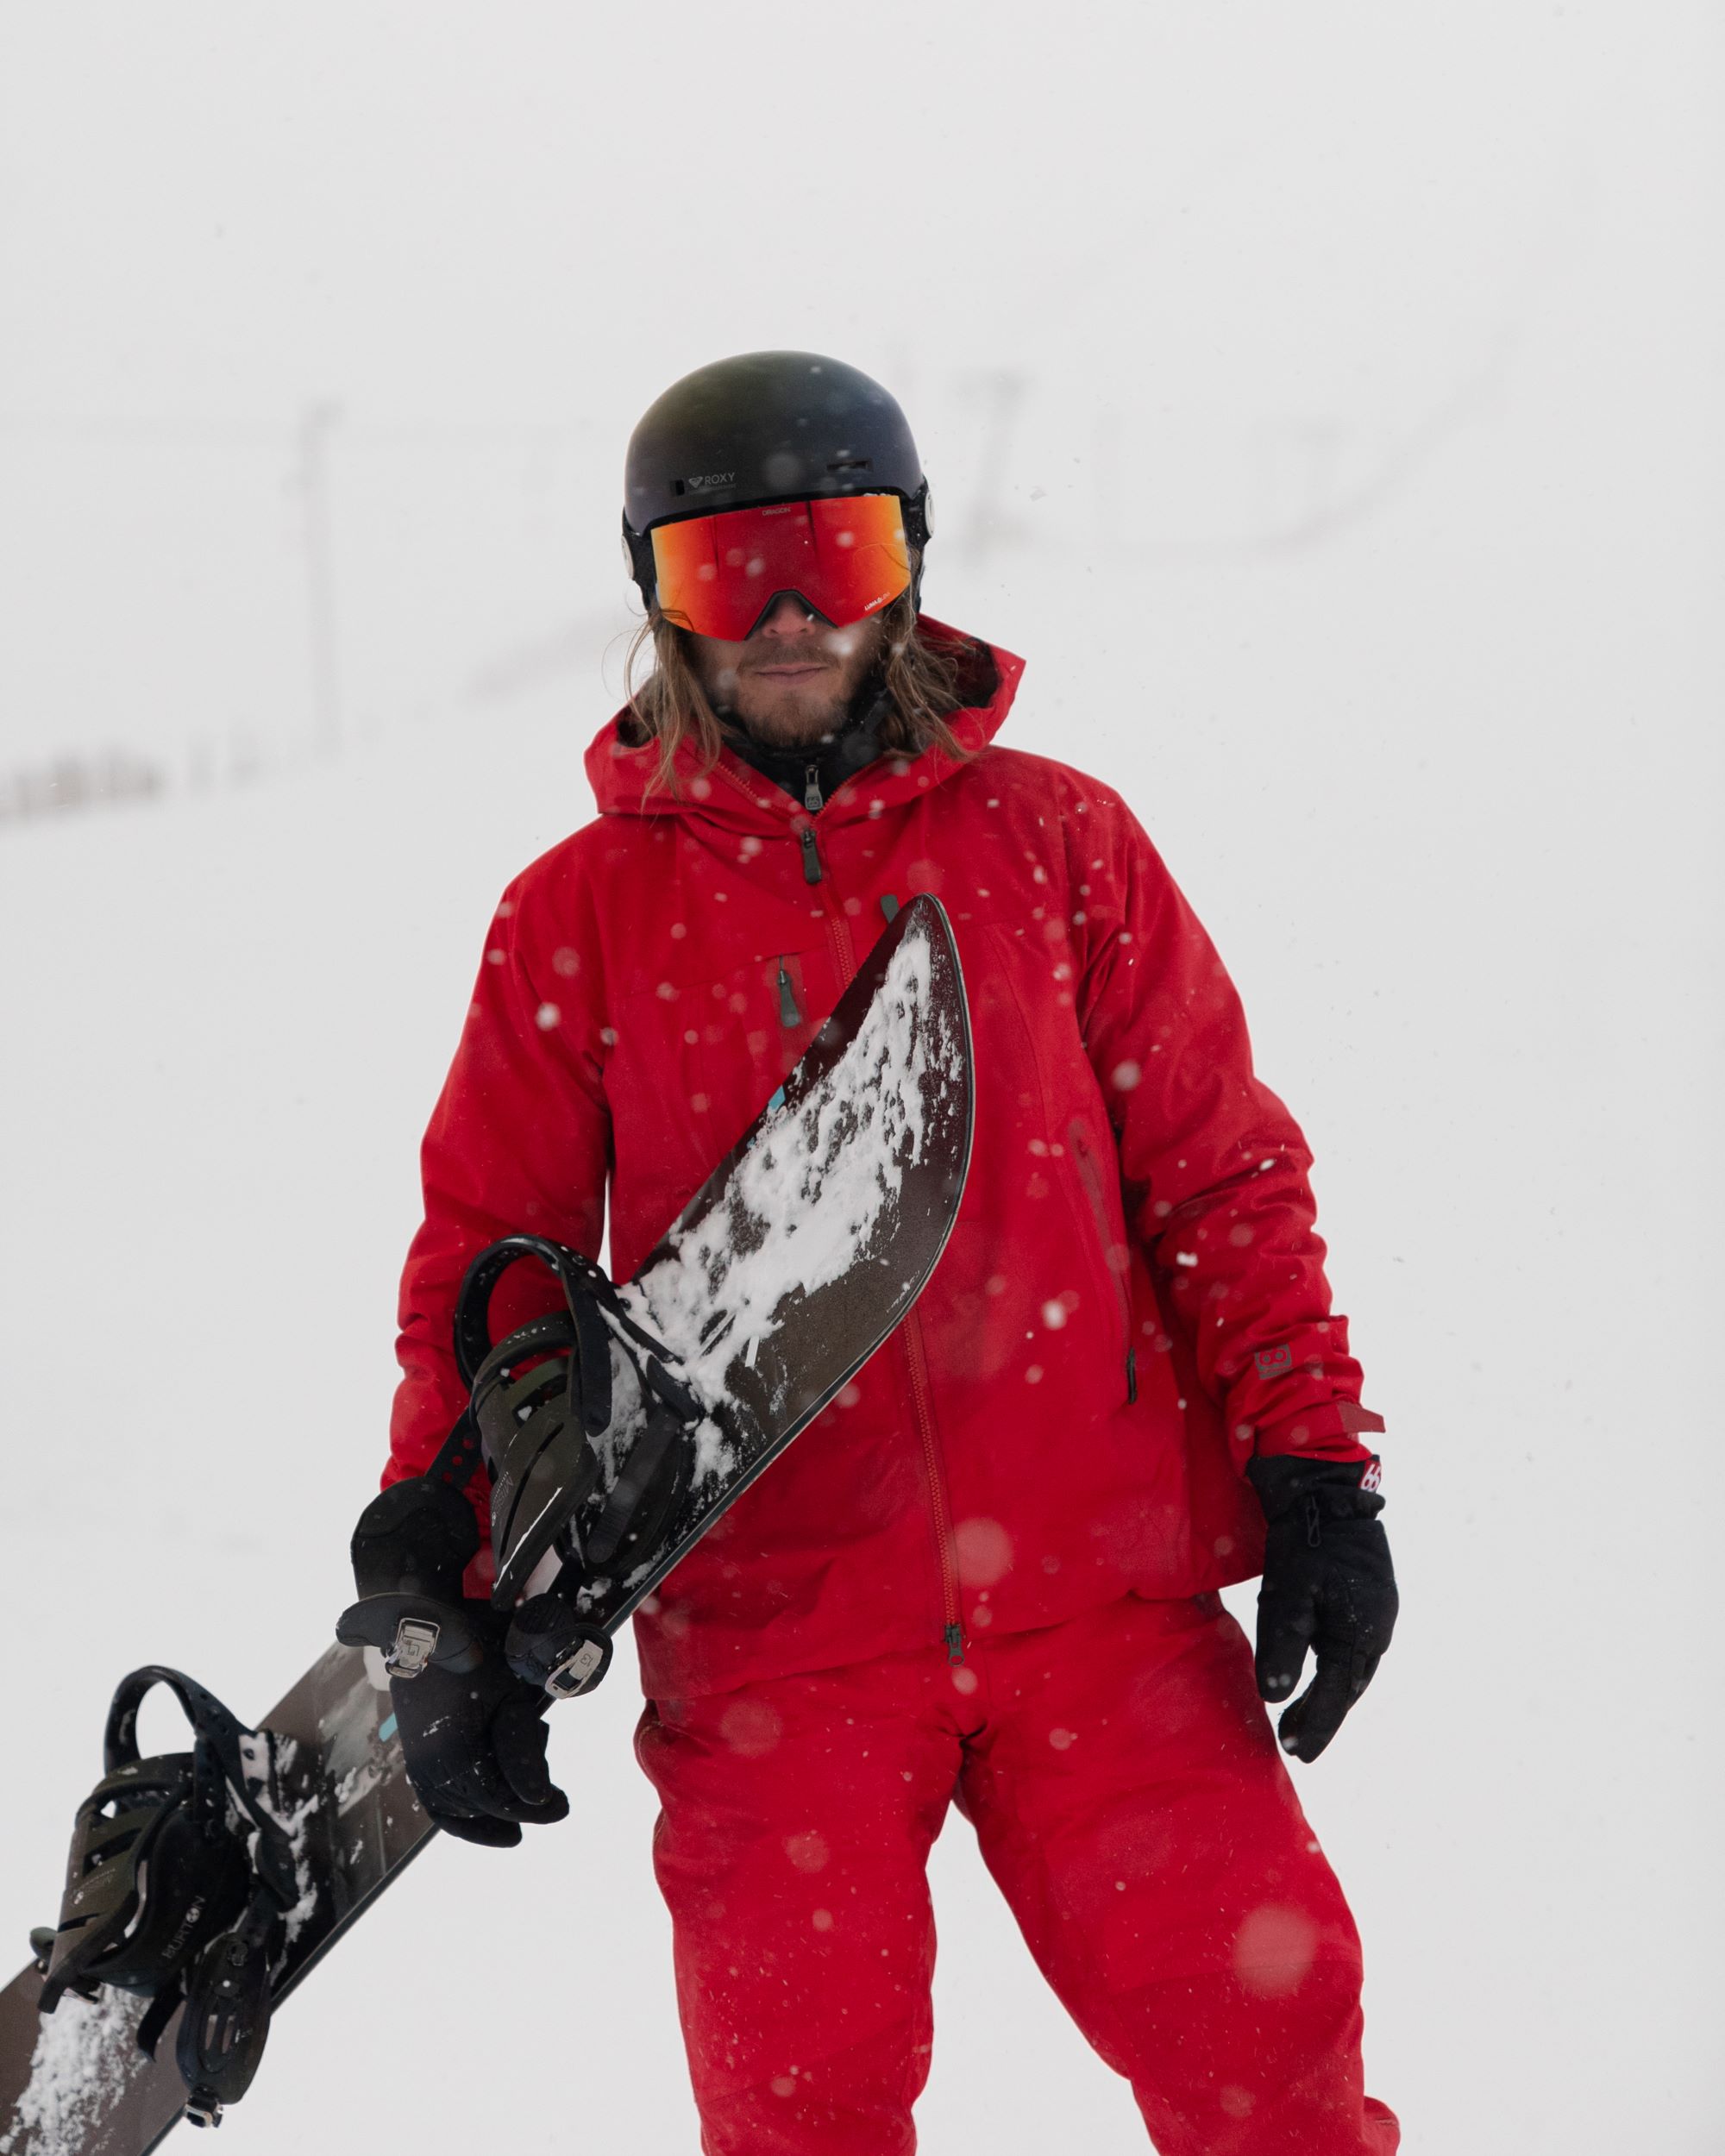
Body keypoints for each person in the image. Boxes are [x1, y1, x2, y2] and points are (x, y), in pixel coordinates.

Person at [372, 351, 1400, 2153]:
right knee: (802, 2108)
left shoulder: (1057, 843)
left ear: (908, 564)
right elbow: (495, 1269)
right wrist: (441, 1576)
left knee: (1273, 2053)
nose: (781, 614)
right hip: (776, 1638)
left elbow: (1220, 1173)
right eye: (722, 569)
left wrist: (1311, 1460)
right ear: (656, 602)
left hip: (1106, 1603)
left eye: (827, 554)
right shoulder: (579, 917)